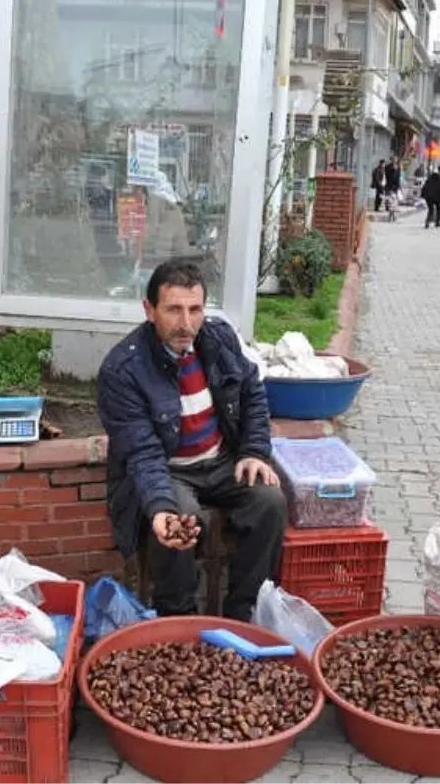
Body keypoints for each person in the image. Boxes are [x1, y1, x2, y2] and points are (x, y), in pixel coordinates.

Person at [97, 262, 287, 622]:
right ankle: (178, 617)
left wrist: (254, 451)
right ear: (149, 310)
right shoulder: (122, 371)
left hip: (220, 461)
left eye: (195, 309)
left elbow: (252, 390)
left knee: (270, 502)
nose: (186, 322)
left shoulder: (218, 339)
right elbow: (141, 451)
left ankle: (245, 612)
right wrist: (159, 506)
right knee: (178, 522)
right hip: (170, 470)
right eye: (173, 309)